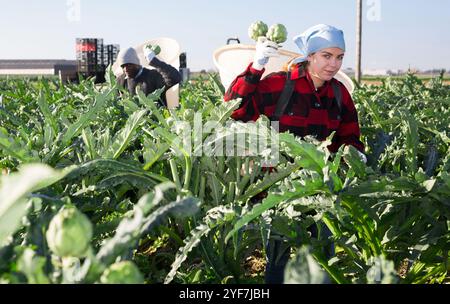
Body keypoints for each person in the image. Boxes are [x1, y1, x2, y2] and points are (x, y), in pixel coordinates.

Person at [224, 24, 366, 283]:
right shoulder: (279, 84)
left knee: (321, 260)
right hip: (279, 191)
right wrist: (256, 66)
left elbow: (349, 135)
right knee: (278, 264)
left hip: (320, 193)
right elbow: (236, 109)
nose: (334, 64)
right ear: (310, 55)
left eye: (339, 57)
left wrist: (355, 154)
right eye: (326, 55)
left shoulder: (338, 93)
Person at [116, 46, 181, 107]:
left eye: (128, 65)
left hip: (155, 117)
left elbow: (175, 78)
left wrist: (154, 61)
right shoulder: (121, 81)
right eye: (123, 66)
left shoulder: (152, 76)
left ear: (136, 63)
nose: (125, 69)